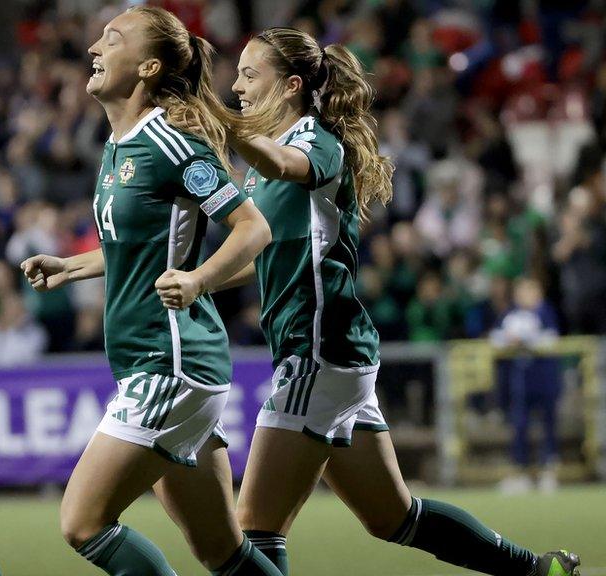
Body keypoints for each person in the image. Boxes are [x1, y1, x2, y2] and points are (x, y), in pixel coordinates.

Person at [219, 26, 580, 576]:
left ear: (291, 85)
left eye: (249, 74)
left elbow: (283, 166)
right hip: (333, 355)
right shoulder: (265, 161)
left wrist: (216, 120)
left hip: (317, 351)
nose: (237, 87)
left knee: (256, 527)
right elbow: (259, 253)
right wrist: (196, 278)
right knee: (394, 517)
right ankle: (538, 571)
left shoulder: (313, 141)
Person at [22, 7, 280, 576]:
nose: (93, 47)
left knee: (82, 523)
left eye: (111, 40)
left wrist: (199, 280)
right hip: (153, 360)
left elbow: (253, 227)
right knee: (223, 551)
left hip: (170, 363)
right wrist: (71, 267)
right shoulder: (118, 146)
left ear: (147, 67)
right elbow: (138, 252)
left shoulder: (169, 142)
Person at [491, 278, 563, 494]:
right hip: (520, 382)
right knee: (520, 426)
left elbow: (552, 339)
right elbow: (495, 338)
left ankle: (548, 471)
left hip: (545, 379)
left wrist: (526, 339)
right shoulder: (511, 314)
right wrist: (509, 340)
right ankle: (520, 473)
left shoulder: (546, 312)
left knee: (548, 424)